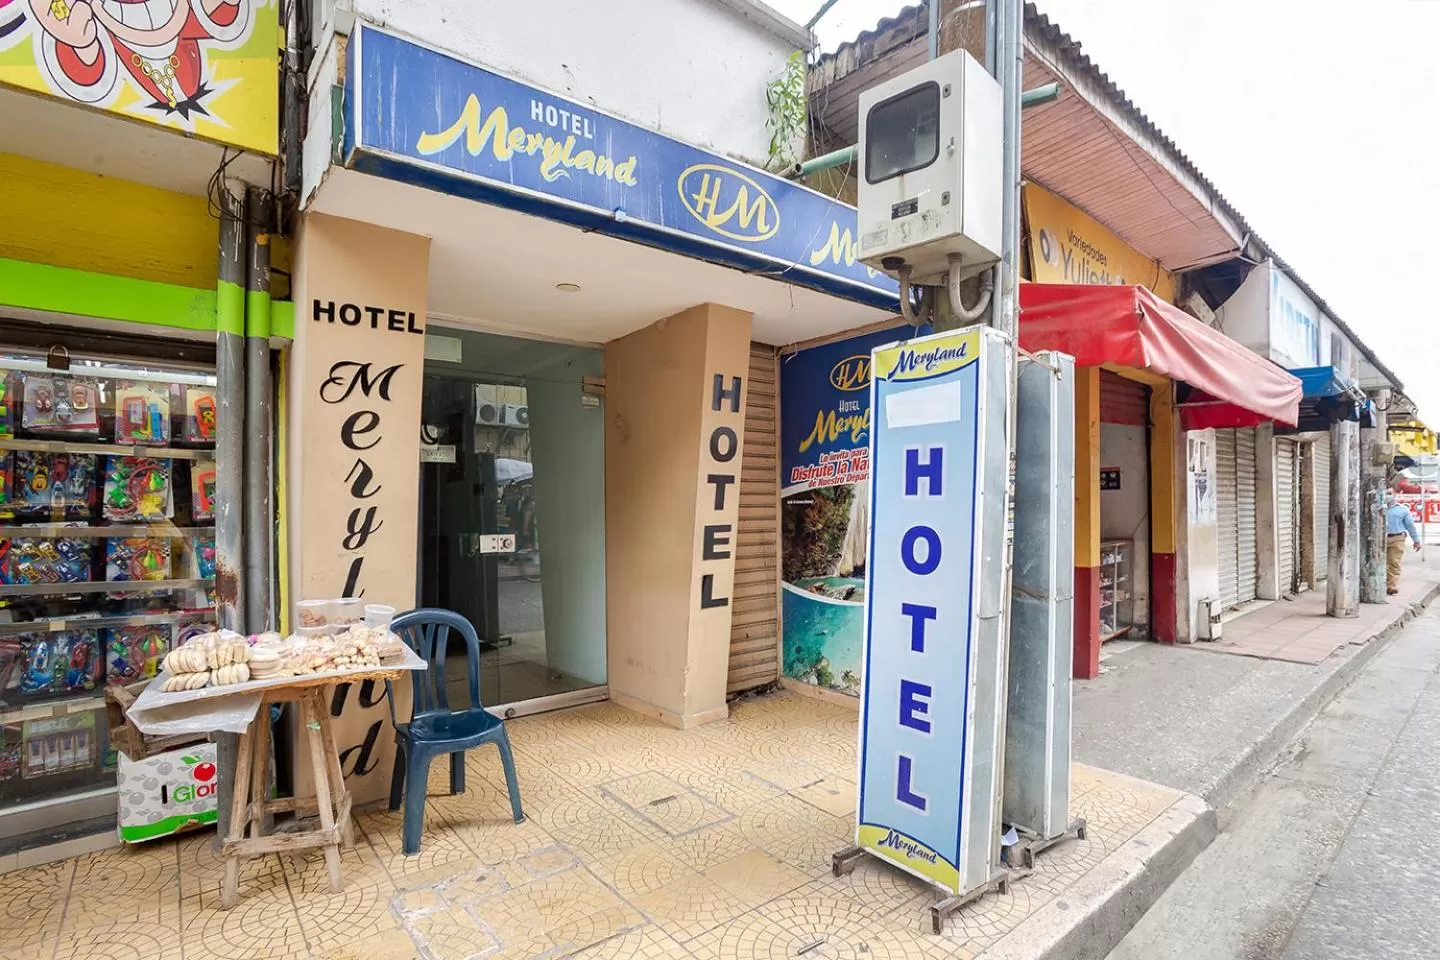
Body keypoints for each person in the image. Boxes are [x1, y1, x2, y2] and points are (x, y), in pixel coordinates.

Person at [1385, 496, 1422, 595]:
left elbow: (1410, 526)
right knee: (1380, 563)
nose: (1386, 495)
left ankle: (1391, 586)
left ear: (1394, 494)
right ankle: (1381, 584)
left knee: (1394, 562)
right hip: (1379, 538)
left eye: (1389, 493)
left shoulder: (1402, 509)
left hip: (1397, 538)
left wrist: (1416, 541)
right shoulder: (1375, 507)